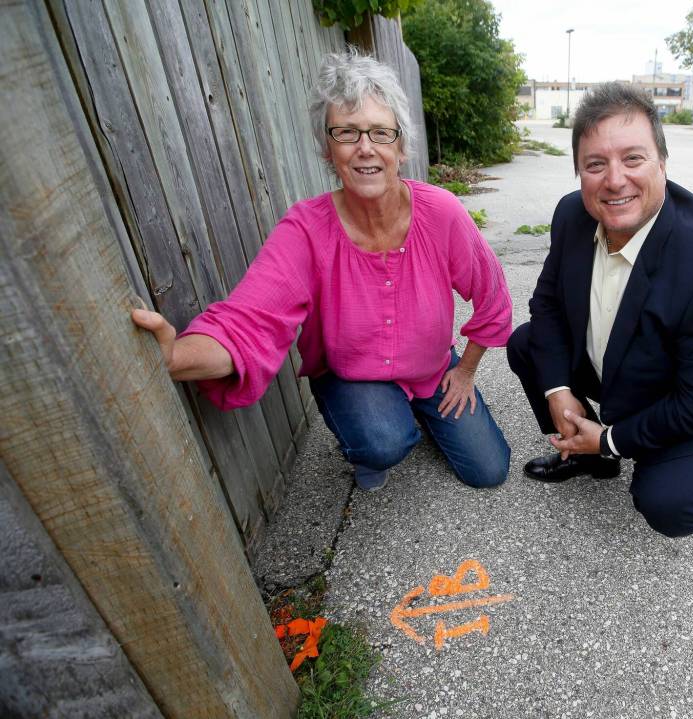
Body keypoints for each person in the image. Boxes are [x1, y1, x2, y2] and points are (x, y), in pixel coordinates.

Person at [132, 50, 512, 491]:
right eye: (347, 132)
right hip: (351, 373)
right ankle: (370, 436)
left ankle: (408, 411)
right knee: (384, 441)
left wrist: (463, 371)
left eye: (380, 133)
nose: (365, 147)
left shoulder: (442, 213)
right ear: (328, 149)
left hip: (430, 369)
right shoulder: (305, 229)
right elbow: (249, 319)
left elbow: (492, 295)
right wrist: (175, 356)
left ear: (401, 146)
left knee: (489, 471)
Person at [507, 83, 693, 537]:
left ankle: (612, 446)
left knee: (673, 504)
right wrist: (557, 391)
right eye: (595, 164)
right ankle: (591, 459)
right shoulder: (573, 215)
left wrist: (611, 438)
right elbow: (546, 304)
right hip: (618, 365)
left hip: (687, 394)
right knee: (528, 345)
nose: (614, 180)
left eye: (633, 158)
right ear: (578, 173)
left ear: (661, 163)